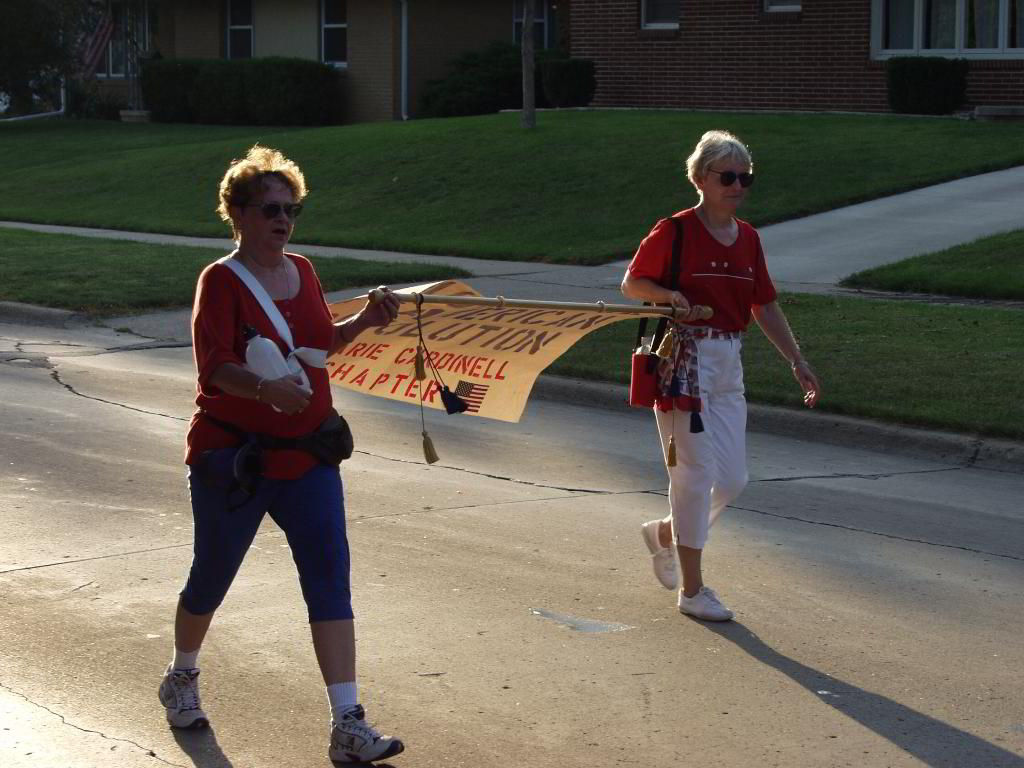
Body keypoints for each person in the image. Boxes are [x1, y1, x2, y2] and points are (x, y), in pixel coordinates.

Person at [158, 145, 405, 764]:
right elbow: (215, 368)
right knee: (212, 574)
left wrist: (366, 321)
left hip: (308, 457)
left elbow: (318, 347)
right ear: (238, 213)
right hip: (235, 459)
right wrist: (264, 389)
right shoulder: (220, 281)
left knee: (329, 579)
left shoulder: (305, 271)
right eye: (270, 208)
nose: (283, 219)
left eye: (291, 209)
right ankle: (182, 675)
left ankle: (348, 723)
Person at [622, 130, 820, 622]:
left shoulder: (748, 238)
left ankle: (666, 532)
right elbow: (632, 283)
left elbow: (763, 304)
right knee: (693, 477)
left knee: (731, 480)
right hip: (682, 364)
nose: (737, 186)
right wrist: (670, 297)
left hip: (728, 361)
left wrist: (796, 359)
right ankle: (693, 591)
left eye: (744, 178)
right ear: (700, 178)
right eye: (727, 177)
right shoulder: (675, 231)